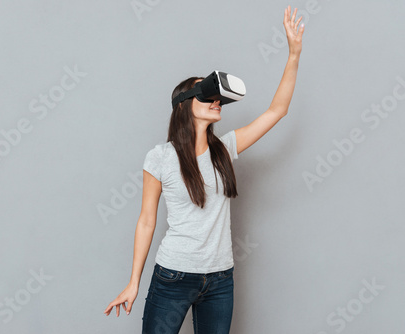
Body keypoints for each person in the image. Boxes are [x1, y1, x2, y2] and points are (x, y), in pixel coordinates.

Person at [104, 5, 305, 333]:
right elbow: (146, 220)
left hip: (220, 279)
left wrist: (293, 54)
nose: (216, 102)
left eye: (219, 98)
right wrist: (133, 282)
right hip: (174, 276)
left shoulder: (224, 148)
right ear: (185, 104)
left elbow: (277, 110)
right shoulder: (160, 158)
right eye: (209, 96)